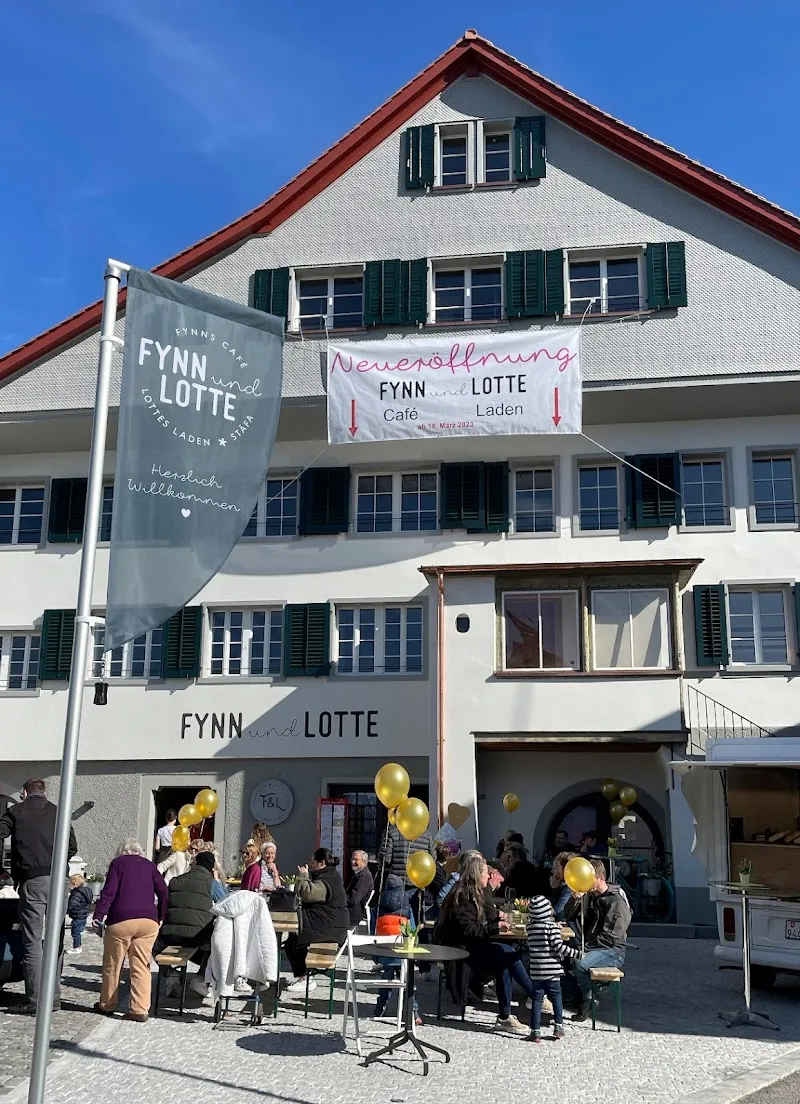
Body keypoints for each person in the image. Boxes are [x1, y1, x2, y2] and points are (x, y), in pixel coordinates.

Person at [436, 850, 538, 1035]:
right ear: (477, 875)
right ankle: (535, 996)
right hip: (460, 952)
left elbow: (474, 926)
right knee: (508, 955)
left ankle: (506, 1015)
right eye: (485, 873)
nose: (488, 876)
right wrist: (495, 926)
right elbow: (467, 931)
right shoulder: (464, 896)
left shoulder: (472, 893)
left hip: (469, 946)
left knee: (505, 956)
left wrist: (495, 924)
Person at [0, 778, 77, 1013]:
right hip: (59, 880)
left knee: (32, 940)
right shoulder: (58, 812)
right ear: (44, 793)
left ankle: (35, 1001)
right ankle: (53, 998)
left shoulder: (16, 812)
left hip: (33, 879)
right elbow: (72, 846)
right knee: (56, 940)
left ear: (24, 793)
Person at [93, 838, 168, 1022]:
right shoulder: (150, 866)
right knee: (142, 965)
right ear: (139, 852)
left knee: (113, 964)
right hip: (148, 921)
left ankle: (108, 1004)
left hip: (121, 920)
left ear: (122, 851)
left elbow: (109, 891)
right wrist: (160, 915)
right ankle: (140, 1009)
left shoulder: (117, 863)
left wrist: (99, 914)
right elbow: (164, 891)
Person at [565, 859, 632, 1019]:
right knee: (560, 960)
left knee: (579, 962)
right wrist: (575, 899)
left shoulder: (616, 901)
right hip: (593, 946)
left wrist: (585, 949)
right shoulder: (589, 896)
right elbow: (568, 915)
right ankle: (581, 994)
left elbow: (610, 937)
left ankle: (589, 999)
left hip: (612, 951)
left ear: (600, 878)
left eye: (590, 878)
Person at [152, 850, 216, 998]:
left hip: (170, 936)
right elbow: (226, 904)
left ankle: (170, 974)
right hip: (197, 938)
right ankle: (200, 979)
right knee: (216, 946)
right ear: (211, 868)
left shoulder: (175, 880)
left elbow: (164, 905)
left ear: (195, 864)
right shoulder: (211, 883)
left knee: (154, 948)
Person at [284, 848, 349, 993]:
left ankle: (305, 979)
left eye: (312, 863)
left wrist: (303, 876)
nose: (310, 865)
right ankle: (305, 976)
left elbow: (308, 894)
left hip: (329, 929)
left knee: (293, 943)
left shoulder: (328, 879)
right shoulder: (330, 875)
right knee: (293, 939)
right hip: (329, 925)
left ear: (322, 863)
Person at [525, 894, 579, 1042]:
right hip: (552, 971)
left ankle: (535, 1031)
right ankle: (558, 1026)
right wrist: (576, 953)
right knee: (556, 997)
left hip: (536, 971)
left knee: (537, 999)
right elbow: (559, 947)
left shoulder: (530, 928)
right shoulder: (551, 928)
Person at [374, 873, 420, 1024]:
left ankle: (380, 1006)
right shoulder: (406, 905)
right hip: (403, 952)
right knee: (407, 979)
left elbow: (372, 931)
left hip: (385, 951)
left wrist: (376, 955)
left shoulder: (379, 904)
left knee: (387, 976)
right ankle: (413, 1011)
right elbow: (412, 930)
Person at [378, 819, 436, 894]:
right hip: (419, 884)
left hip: (396, 882)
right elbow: (433, 860)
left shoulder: (392, 831)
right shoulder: (427, 834)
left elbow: (385, 860)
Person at [345, 849, 374, 930]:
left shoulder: (364, 876)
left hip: (354, 912)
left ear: (364, 861)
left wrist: (340, 898)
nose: (352, 862)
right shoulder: (357, 874)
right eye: (352, 859)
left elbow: (353, 899)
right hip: (350, 909)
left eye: (356, 859)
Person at [65, 873, 93, 955]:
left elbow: (73, 904)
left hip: (78, 915)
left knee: (75, 932)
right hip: (83, 915)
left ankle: (77, 947)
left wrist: (67, 910)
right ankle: (77, 946)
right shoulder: (86, 891)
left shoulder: (77, 893)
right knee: (78, 930)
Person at [549, 852, 576, 921]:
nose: (553, 871)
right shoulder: (565, 886)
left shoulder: (571, 888)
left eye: (555, 868)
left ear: (565, 869)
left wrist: (555, 890)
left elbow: (559, 913)